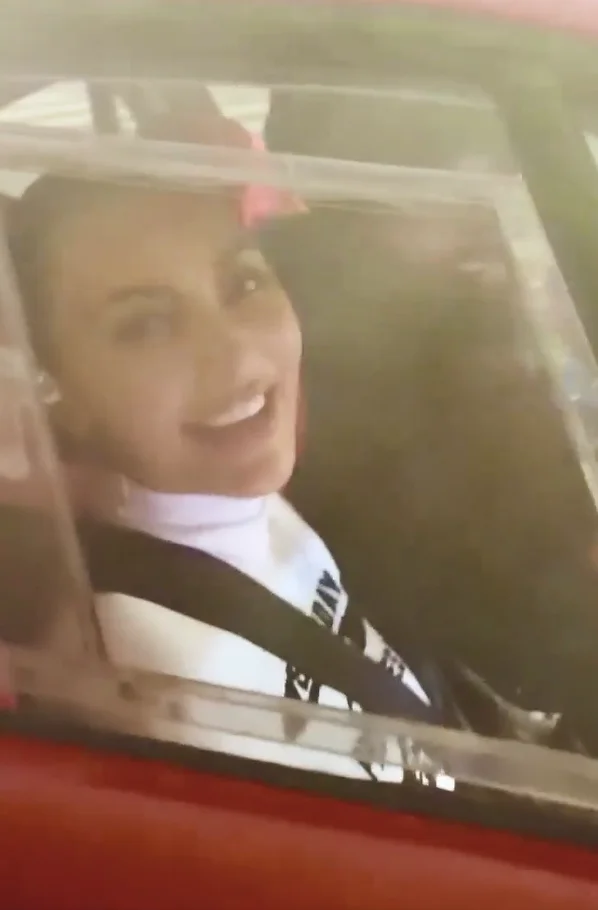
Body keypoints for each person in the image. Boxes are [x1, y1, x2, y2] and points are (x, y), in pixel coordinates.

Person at [7, 173, 450, 784]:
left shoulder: (236, 497)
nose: (237, 356)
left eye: (244, 283)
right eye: (148, 325)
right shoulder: (161, 680)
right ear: (60, 392)